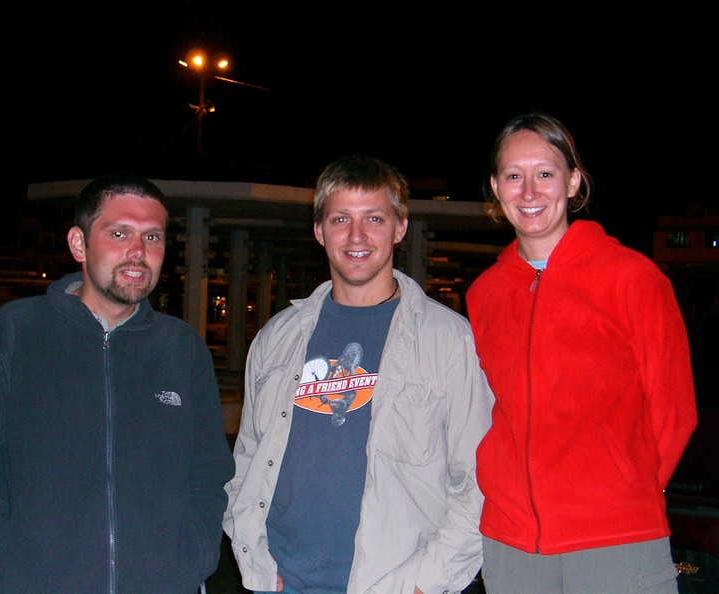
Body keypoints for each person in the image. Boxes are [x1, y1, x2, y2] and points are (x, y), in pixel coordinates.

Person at [0, 172, 235, 593]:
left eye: (152, 237)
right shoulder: (16, 333)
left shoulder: (182, 348)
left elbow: (209, 469)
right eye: (119, 233)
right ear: (79, 244)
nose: (137, 252)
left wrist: (193, 559)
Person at [223, 154, 495, 594]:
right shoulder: (277, 338)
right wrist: (255, 561)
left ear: (400, 227)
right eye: (339, 219)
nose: (356, 236)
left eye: (374, 218)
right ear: (318, 230)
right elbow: (247, 460)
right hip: (281, 582)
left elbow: (480, 480)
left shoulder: (448, 339)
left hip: (398, 583)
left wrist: (427, 582)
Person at [466, 111, 698, 594]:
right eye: (514, 176)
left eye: (545, 174)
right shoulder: (485, 293)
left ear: (573, 182)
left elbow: (674, 411)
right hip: (511, 545)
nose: (529, 192)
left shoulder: (632, 279)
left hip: (615, 541)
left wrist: (621, 495)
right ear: (495, 186)